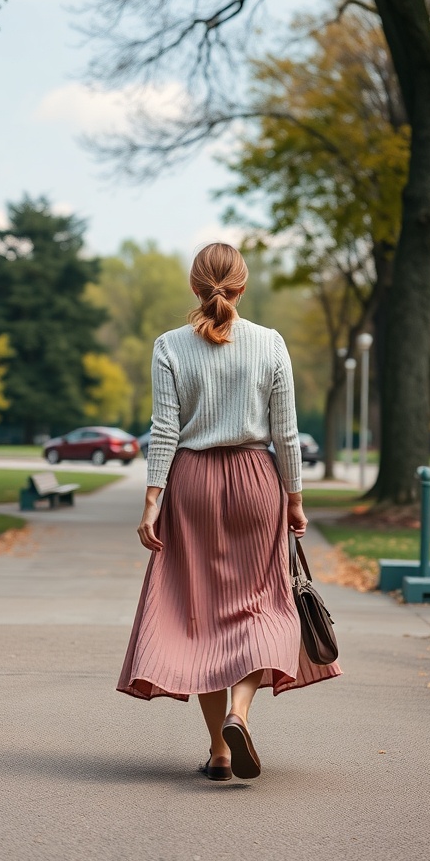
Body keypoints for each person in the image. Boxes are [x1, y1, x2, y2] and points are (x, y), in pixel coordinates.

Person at [117, 242, 341, 780]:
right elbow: (286, 432)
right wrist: (295, 499)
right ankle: (241, 713)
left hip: (192, 484)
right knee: (261, 604)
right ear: (241, 287)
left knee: (201, 616)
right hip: (255, 484)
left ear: (195, 288)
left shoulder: (170, 346)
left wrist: (152, 501)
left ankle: (219, 750)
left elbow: (165, 429)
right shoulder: (270, 344)